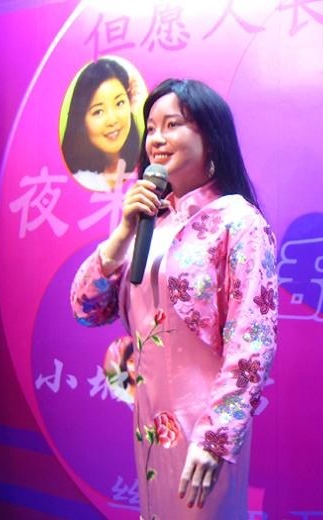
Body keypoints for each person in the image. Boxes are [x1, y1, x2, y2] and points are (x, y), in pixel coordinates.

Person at [70, 78, 278, 519]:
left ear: (211, 137)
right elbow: (86, 308)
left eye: (173, 124)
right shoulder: (152, 222)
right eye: (151, 128)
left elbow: (253, 341)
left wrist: (217, 437)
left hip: (206, 429)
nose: (157, 139)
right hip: (150, 427)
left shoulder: (240, 223)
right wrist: (124, 230)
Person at [61, 58, 141, 190]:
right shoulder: (79, 181)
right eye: (98, 111)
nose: (112, 120)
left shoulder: (145, 164)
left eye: (119, 103)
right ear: (81, 120)